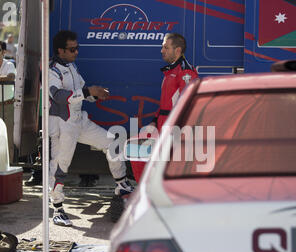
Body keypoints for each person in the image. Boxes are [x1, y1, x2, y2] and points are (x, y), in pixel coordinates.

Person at [49, 30, 134, 227]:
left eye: (77, 48)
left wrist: (95, 94)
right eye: (72, 49)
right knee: (61, 165)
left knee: (113, 142)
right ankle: (58, 208)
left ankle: (122, 184)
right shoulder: (52, 70)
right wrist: (88, 92)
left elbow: (81, 92)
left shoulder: (71, 65)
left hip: (80, 120)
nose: (76, 52)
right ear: (60, 50)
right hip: (63, 124)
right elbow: (58, 96)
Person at [131, 33, 199, 182]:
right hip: (163, 125)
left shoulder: (185, 72)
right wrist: (154, 121)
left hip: (174, 127)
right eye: (163, 47)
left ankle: (155, 194)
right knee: (136, 152)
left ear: (177, 50)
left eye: (166, 47)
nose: (162, 50)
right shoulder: (171, 71)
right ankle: (147, 193)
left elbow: (188, 105)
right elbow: (165, 104)